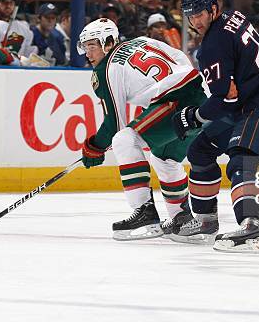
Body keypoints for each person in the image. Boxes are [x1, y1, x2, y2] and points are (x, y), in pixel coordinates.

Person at [170, 0, 259, 252]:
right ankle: (205, 221)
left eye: (200, 13)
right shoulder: (233, 17)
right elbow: (232, 91)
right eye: (190, 15)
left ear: (213, 9)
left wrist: (193, 116)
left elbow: (225, 100)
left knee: (241, 158)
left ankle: (250, 226)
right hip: (252, 100)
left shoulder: (211, 46)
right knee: (201, 151)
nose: (195, 20)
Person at [77, 18, 206, 240]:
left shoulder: (105, 69)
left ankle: (145, 213)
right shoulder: (142, 41)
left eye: (93, 45)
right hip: (201, 98)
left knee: (124, 140)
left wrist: (94, 147)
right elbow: (179, 57)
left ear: (108, 42)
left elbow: (114, 124)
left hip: (175, 100)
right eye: (85, 46)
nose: (88, 53)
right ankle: (182, 221)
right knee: (164, 157)